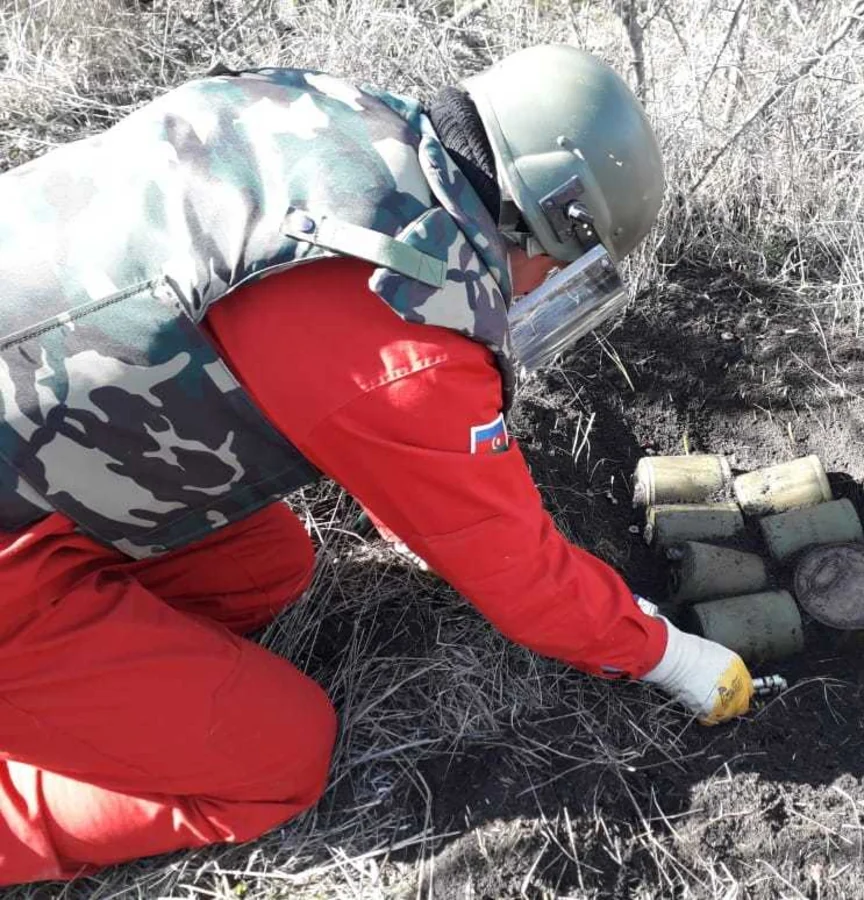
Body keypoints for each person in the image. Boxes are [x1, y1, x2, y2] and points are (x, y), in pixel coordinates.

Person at [0, 45, 752, 883]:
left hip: (35, 475)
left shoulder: (327, 117)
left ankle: (70, 682)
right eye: (560, 270)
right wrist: (668, 654)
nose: (541, 291)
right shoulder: (402, 334)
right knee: (278, 757)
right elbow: (524, 580)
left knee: (263, 568)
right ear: (549, 221)